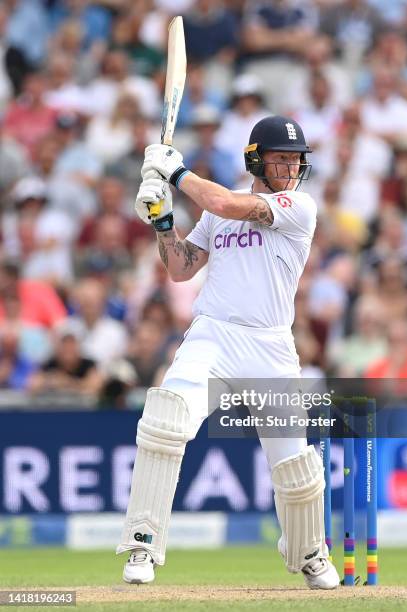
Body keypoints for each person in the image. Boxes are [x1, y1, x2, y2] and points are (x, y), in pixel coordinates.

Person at [117, 115, 340, 590]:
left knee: (296, 467)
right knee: (166, 418)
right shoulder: (218, 213)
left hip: (272, 345)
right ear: (256, 158)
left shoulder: (297, 206)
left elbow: (222, 199)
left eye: (296, 159)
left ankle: (308, 553)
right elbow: (181, 269)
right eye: (281, 158)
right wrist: (163, 223)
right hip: (214, 335)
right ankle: (142, 541)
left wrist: (176, 173)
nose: (291, 167)